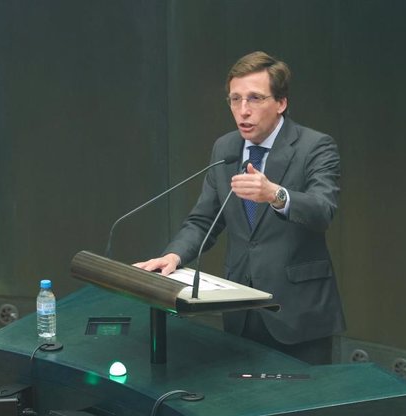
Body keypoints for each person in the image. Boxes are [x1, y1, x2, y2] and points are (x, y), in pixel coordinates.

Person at [136, 51, 345, 364]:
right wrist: (173, 255)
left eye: (255, 98)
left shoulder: (314, 146)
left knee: (299, 409)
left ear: (281, 103)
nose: (243, 110)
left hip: (297, 312)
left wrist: (276, 194)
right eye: (235, 99)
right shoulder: (226, 148)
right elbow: (203, 219)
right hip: (239, 309)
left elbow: (322, 209)